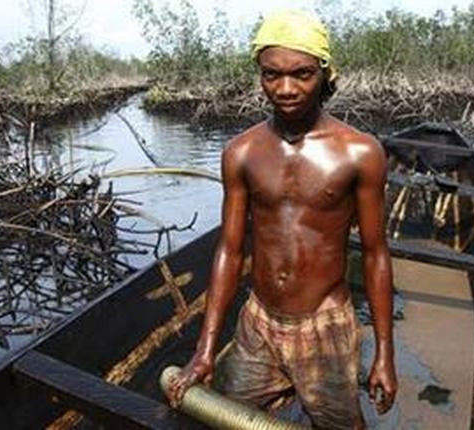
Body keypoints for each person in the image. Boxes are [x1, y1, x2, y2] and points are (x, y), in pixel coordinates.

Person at [165, 9, 397, 429]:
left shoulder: (360, 153)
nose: (286, 89)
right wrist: (205, 348)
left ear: (325, 74)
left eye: (302, 74)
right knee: (225, 419)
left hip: (325, 327)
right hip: (259, 323)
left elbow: (377, 254)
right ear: (260, 75)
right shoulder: (242, 152)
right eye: (272, 75)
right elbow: (230, 252)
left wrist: (384, 352)